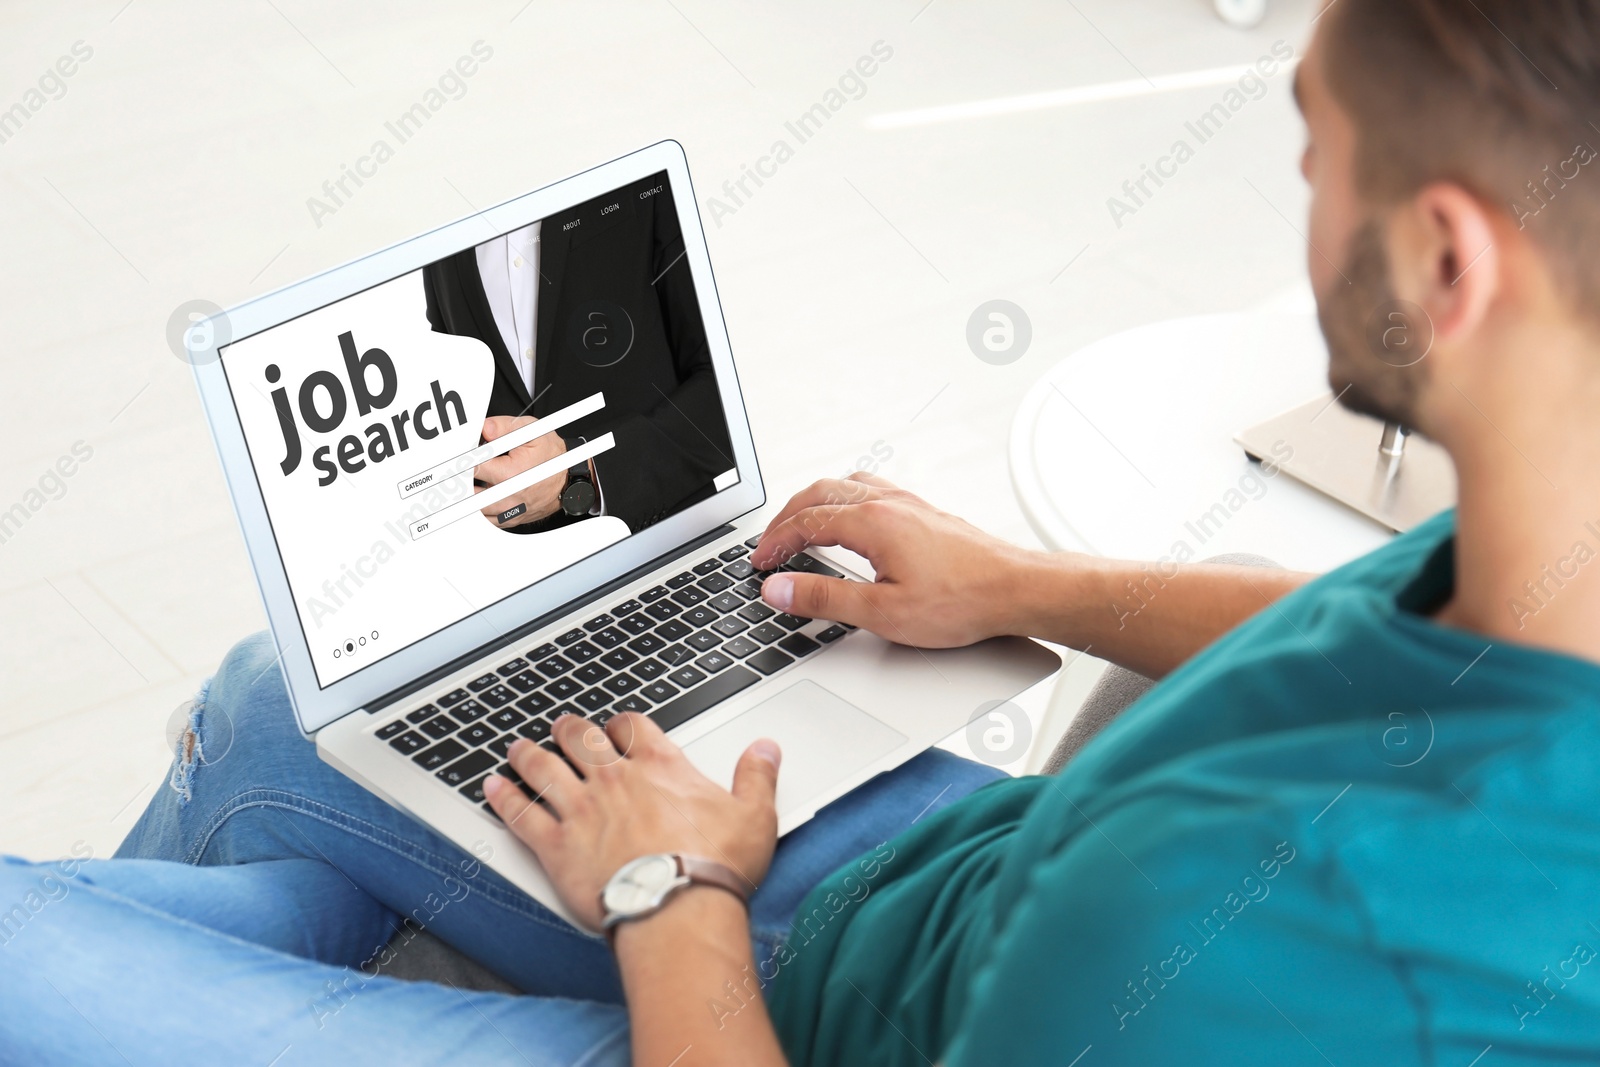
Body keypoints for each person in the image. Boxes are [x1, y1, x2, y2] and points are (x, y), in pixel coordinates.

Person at [6, 0, 1600, 1062]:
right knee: (283, 711)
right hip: (932, 884)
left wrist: (669, 894)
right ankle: (316, 933)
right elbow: (1362, 638)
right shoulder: (1551, 554)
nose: (1304, 178)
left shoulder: (1261, 943)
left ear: (1448, 264)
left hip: (789, 1008)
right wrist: (1015, 578)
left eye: (1317, 140)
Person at [422, 172, 736, 535]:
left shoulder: (639, 167)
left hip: (666, 544)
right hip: (515, 571)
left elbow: (729, 392)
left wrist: (578, 473)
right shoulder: (442, 216)